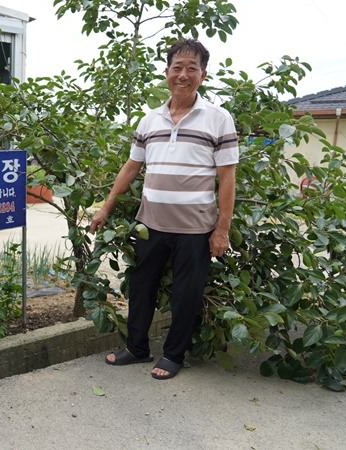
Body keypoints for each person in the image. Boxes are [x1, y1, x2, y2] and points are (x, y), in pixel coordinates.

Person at [90, 39, 238, 380]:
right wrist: (105, 208)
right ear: (166, 72)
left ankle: (173, 355)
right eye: (177, 67)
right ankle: (137, 347)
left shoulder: (218, 119)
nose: (183, 75)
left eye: (192, 68)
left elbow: (227, 179)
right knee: (142, 286)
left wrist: (222, 229)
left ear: (203, 74)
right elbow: (131, 168)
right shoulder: (149, 119)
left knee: (187, 294)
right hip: (150, 223)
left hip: (195, 227)